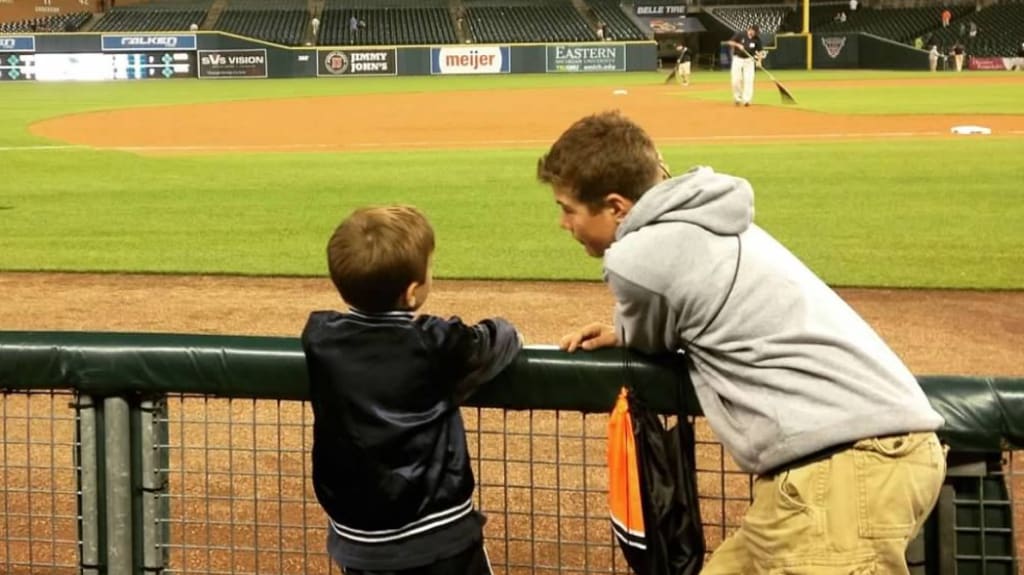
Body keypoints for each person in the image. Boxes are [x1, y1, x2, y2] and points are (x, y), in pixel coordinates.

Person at [536, 110, 946, 574]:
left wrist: (631, 332)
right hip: (862, 461)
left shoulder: (637, 256)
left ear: (616, 207)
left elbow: (652, 335)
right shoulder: (708, 214)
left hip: (845, 469)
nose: (564, 224)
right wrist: (623, 332)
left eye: (568, 209)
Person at [301, 205, 522, 575]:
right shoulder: (433, 342)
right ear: (412, 292)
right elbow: (499, 339)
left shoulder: (319, 336)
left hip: (357, 541)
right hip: (437, 539)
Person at [726, 25, 763, 107]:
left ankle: (747, 100)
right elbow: (730, 42)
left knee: (749, 80)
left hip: (749, 61)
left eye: (756, 33)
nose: (755, 34)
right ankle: (737, 98)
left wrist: (759, 61)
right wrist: (738, 45)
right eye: (754, 32)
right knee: (736, 80)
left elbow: (760, 51)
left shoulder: (757, 39)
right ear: (750, 29)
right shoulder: (740, 34)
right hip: (738, 59)